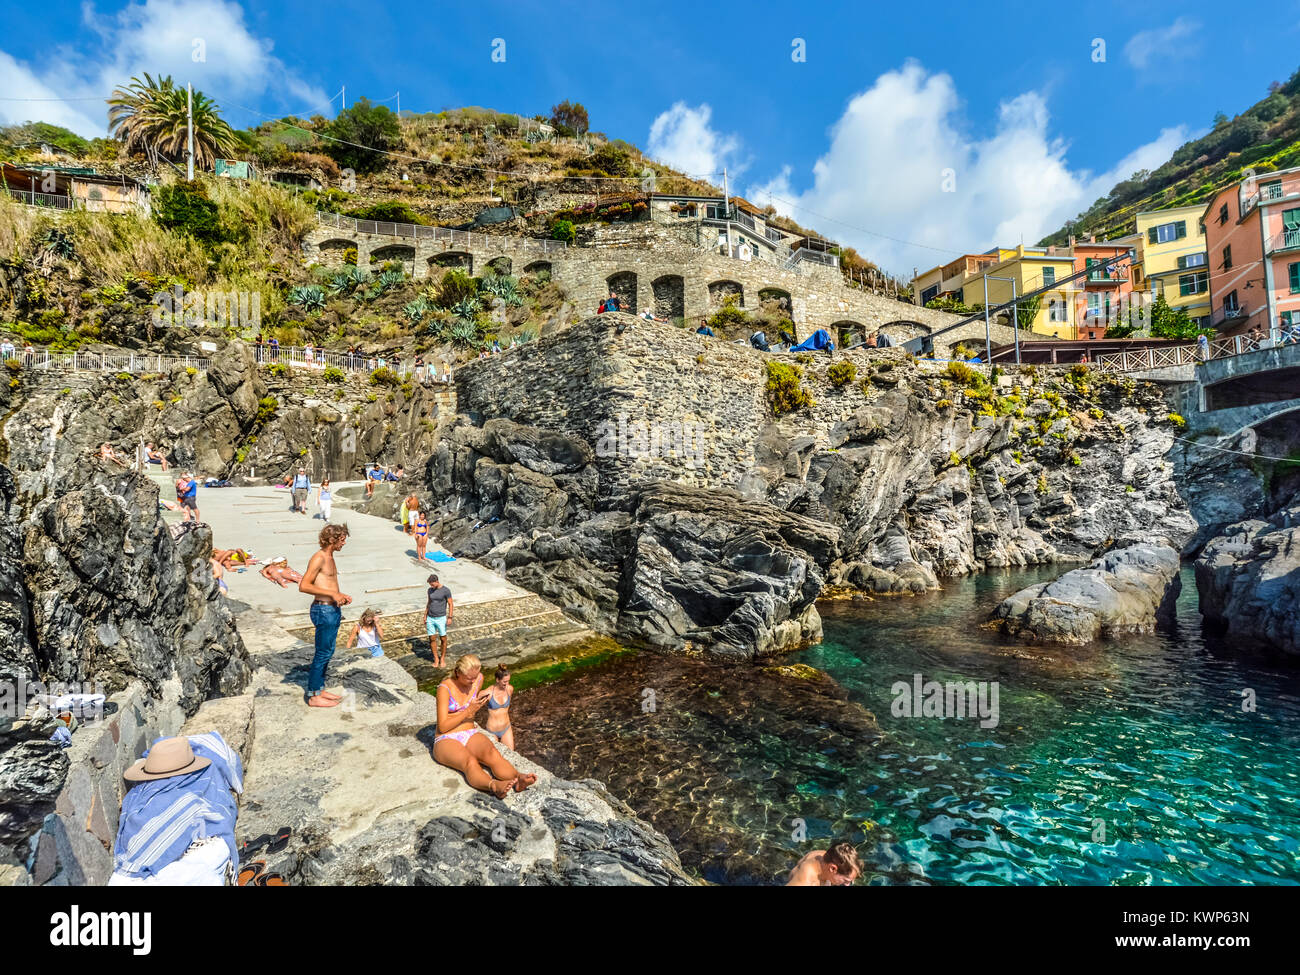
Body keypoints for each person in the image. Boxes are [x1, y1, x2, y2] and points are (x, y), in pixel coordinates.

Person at [432, 654, 536, 798]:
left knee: (492, 754)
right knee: (470, 762)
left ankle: (518, 778)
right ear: (458, 672)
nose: (473, 681)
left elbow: (478, 691)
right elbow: (443, 726)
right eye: (469, 678)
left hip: (469, 732)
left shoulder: (479, 679)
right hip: (446, 737)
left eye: (475, 677)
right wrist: (469, 710)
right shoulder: (445, 688)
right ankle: (493, 786)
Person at [298, 524, 353, 708]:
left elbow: (328, 584)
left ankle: (319, 689)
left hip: (331, 608)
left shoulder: (330, 557)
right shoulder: (319, 557)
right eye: (342, 539)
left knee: (328, 651)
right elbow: (304, 585)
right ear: (332, 539)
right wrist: (332, 595)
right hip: (323, 610)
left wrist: (340, 596)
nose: (344, 543)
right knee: (322, 652)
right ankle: (313, 696)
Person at [785, 841, 862, 886]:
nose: (847, 885)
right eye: (846, 880)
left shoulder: (825, 855)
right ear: (832, 868)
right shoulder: (807, 882)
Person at [424, 573, 453, 668]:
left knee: (443, 638)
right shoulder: (430, 590)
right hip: (430, 617)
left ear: (437, 581)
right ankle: (436, 658)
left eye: (432, 584)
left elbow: (450, 604)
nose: (431, 586)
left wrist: (450, 617)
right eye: (430, 585)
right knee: (432, 638)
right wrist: (425, 615)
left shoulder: (446, 590)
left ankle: (443, 658)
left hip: (441, 617)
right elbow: (429, 602)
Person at [483, 664, 515, 750]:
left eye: (508, 681)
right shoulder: (488, 693)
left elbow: (506, 708)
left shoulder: (510, 689)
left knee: (512, 756)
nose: (507, 684)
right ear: (497, 680)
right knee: (494, 757)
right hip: (492, 731)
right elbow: (473, 706)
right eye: (504, 682)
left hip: (506, 728)